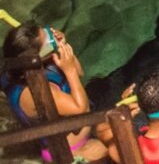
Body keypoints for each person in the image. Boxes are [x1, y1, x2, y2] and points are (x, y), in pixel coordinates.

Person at [1, 23, 109, 161]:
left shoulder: (34, 66)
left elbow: (79, 72)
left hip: (84, 128)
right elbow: (80, 108)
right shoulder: (34, 90)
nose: (53, 37)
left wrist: (61, 46)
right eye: (49, 40)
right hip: (73, 150)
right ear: (39, 54)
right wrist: (68, 70)